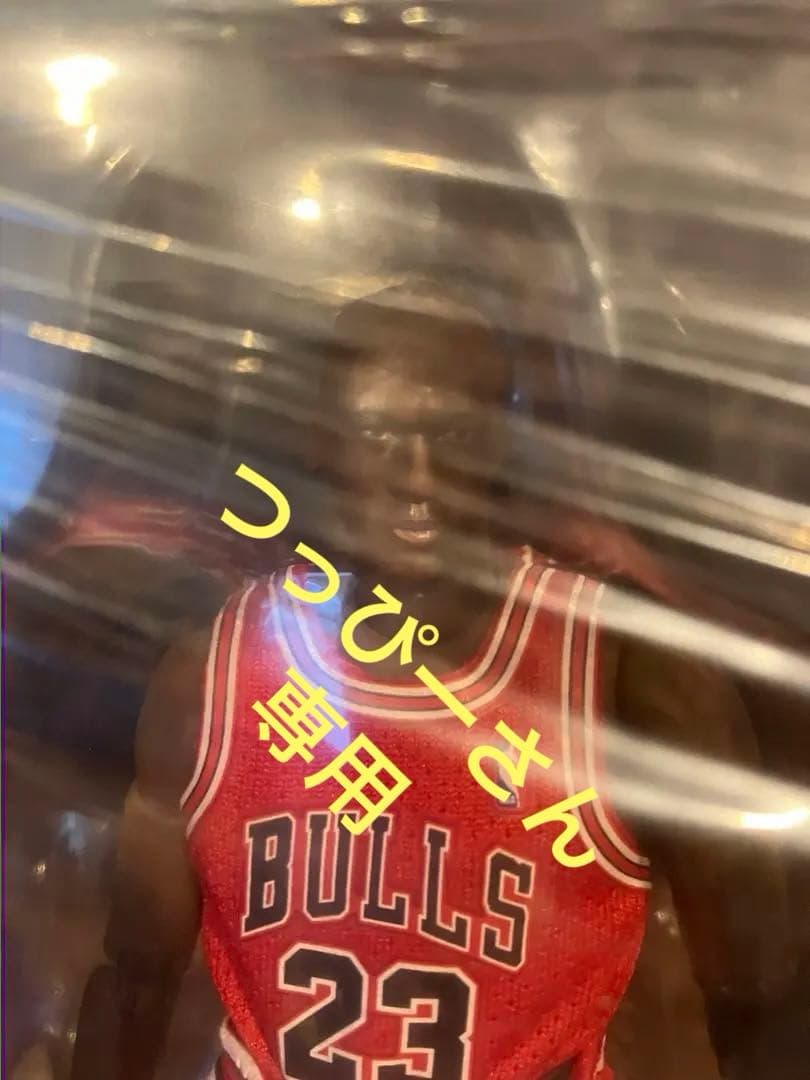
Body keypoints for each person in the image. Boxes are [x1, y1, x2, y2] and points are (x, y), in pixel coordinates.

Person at [70, 281, 803, 1080]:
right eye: (379, 434)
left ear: (499, 444)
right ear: (323, 442)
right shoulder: (211, 679)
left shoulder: (625, 674)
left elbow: (762, 1005)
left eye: (452, 434)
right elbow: (132, 982)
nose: (419, 474)